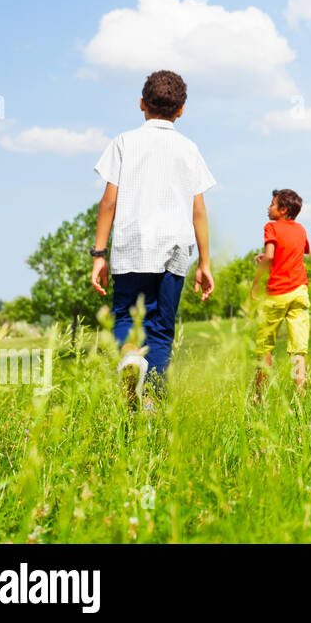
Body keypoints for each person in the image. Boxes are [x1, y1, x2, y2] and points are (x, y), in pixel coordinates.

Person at [91, 70, 216, 409]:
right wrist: (205, 263)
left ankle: (131, 359)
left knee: (124, 319)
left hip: (130, 249)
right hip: (174, 251)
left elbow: (109, 202)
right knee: (160, 330)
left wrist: (98, 253)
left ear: (142, 104)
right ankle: (152, 404)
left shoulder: (123, 142)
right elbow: (199, 210)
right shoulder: (189, 149)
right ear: (182, 110)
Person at [250, 189, 311, 400]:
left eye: (272, 204)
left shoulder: (271, 227)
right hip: (299, 292)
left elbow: (270, 256)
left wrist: (256, 282)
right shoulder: (301, 229)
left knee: (265, 346)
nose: (269, 207)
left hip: (277, 293)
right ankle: (300, 394)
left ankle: (259, 396)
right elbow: (291, 253)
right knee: (298, 348)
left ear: (283, 209)